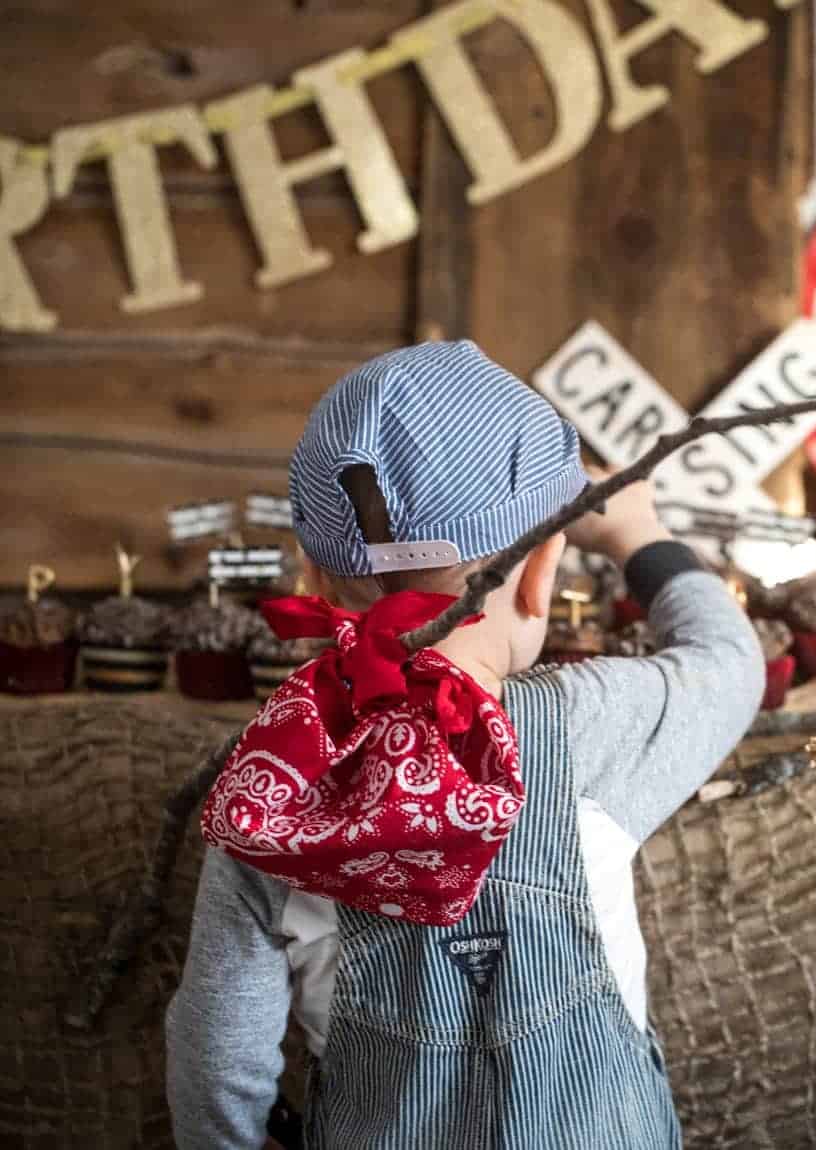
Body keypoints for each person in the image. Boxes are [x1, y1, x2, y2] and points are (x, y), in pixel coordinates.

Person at [166, 340, 765, 1149]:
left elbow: (214, 1047)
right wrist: (639, 537)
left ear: (315, 581)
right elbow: (729, 664)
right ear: (541, 571)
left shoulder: (276, 777)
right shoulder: (595, 729)